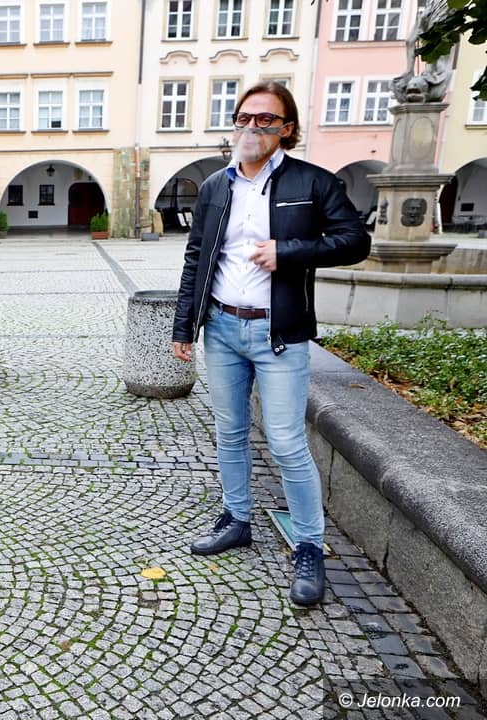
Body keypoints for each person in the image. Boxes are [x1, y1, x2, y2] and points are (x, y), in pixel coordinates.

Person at [171, 81, 370, 607]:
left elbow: (355, 241)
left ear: (287, 128)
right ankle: (236, 518)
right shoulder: (216, 185)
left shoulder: (313, 181)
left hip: (278, 334)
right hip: (221, 328)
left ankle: (309, 545)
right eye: (245, 117)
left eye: (266, 119)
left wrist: (290, 251)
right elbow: (197, 256)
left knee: (285, 442)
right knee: (229, 432)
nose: (252, 127)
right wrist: (183, 327)